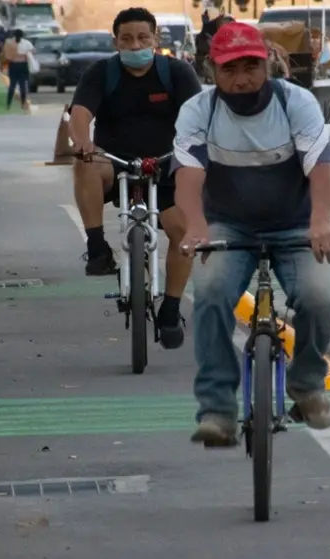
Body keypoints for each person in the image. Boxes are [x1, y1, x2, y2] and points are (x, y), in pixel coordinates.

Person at [172, 22, 330, 446]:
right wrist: (196, 224)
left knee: (321, 299)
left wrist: (321, 221)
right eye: (230, 70)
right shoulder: (199, 110)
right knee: (209, 293)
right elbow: (189, 176)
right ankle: (217, 409)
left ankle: (305, 383)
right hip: (228, 225)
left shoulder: (296, 102)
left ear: (267, 65)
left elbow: (321, 168)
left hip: (296, 224)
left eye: (251, 67)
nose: (241, 79)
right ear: (213, 70)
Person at [68, 8, 203, 349]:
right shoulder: (101, 73)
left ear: (155, 39)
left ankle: (171, 308)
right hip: (115, 164)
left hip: (166, 166)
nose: (135, 44)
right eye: (126, 38)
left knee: (184, 234)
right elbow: (81, 113)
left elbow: (202, 116)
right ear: (115, 41)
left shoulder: (177, 73)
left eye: (143, 37)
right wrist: (82, 141)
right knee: (84, 163)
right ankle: (96, 247)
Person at [2, 29, 35, 111]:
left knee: (12, 86)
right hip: (23, 65)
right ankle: (23, 103)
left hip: (13, 66)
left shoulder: (9, 43)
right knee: (23, 86)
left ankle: (8, 104)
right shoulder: (26, 43)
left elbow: (6, 55)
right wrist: (24, 54)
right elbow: (33, 51)